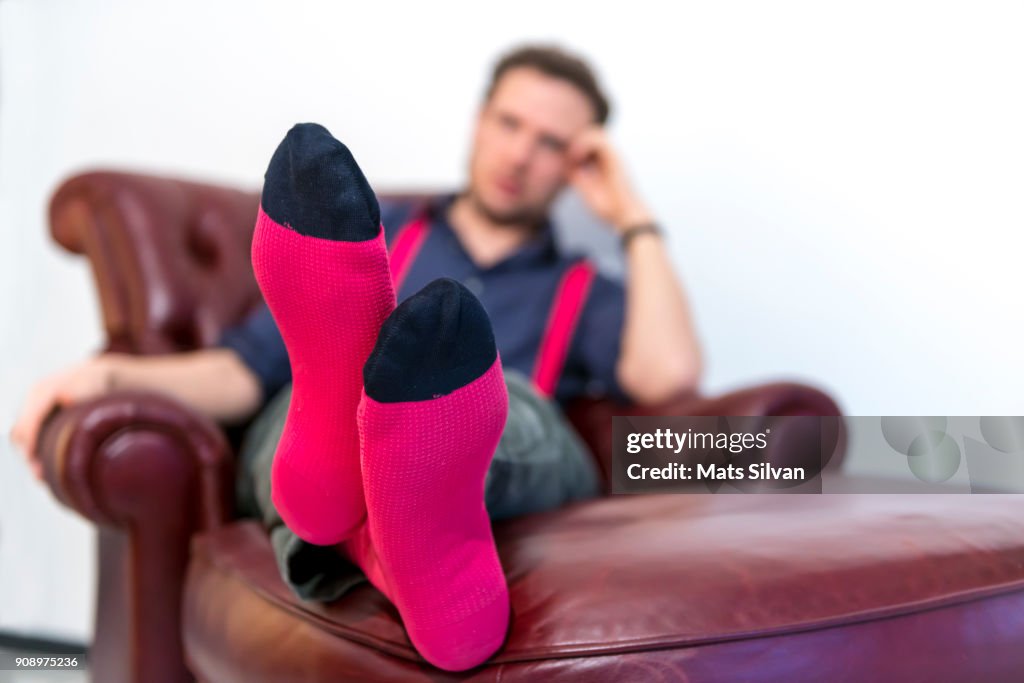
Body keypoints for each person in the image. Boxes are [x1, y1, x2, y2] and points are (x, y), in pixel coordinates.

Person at [10, 45, 702, 671]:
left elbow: (668, 374)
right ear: (479, 121)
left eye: (551, 142)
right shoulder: (375, 227)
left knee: (490, 403)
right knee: (305, 406)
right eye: (509, 123)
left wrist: (632, 217)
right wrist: (110, 374)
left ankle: (371, 488)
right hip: (310, 411)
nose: (520, 154)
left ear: (579, 164)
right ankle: (398, 532)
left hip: (509, 440)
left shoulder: (582, 286)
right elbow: (242, 371)